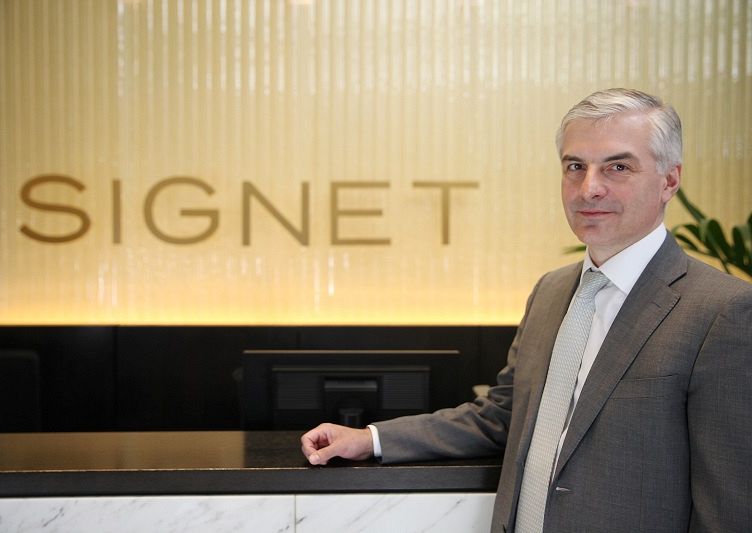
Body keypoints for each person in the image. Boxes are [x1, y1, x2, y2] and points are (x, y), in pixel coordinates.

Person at [300, 88, 752, 533]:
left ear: (669, 180)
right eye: (575, 167)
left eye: (618, 167)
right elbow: (503, 415)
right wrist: (371, 439)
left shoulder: (722, 311)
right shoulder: (550, 292)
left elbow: (728, 505)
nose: (589, 188)